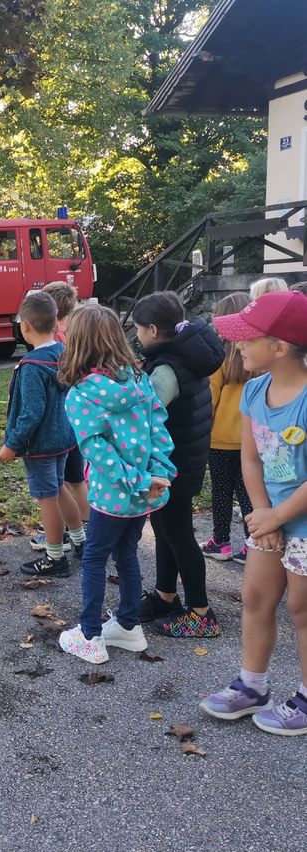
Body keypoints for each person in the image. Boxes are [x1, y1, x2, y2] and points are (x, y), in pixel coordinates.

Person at [200, 290, 307, 735]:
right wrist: (262, 513)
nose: (237, 346)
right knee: (256, 598)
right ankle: (252, 685)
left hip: (299, 522)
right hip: (270, 519)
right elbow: (250, 459)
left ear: (279, 347)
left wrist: (277, 517)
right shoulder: (256, 390)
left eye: (246, 338)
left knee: (302, 608)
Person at [56, 305, 176, 663]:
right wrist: (158, 474)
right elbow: (160, 431)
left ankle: (90, 633)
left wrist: (140, 480)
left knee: (94, 557)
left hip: (114, 497)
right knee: (127, 553)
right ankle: (127, 625)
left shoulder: (80, 395)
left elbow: (98, 451)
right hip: (145, 495)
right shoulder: (140, 382)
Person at [132, 291, 225, 637]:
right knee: (165, 530)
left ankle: (201, 612)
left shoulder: (168, 369)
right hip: (182, 457)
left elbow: (144, 413)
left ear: (154, 330)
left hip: (173, 465)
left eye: (139, 329)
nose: (138, 336)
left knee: (179, 535)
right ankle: (165, 595)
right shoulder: (185, 354)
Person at [0, 291, 85, 578]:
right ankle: (83, 542)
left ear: (25, 326)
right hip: (63, 439)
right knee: (59, 488)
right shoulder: (62, 354)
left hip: (41, 445)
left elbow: (31, 413)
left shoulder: (32, 366)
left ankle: (55, 557)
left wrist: (12, 444)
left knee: (47, 497)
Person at [30, 282, 91, 554]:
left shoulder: (52, 343)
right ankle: (86, 530)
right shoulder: (78, 331)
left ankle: (64, 535)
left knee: (60, 485)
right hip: (76, 419)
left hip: (61, 422)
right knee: (75, 479)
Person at [201, 293, 255, 564]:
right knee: (249, 492)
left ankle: (220, 541)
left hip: (220, 437)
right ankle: (251, 543)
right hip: (252, 437)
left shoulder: (219, 356)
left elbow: (210, 397)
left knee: (221, 491)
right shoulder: (258, 354)